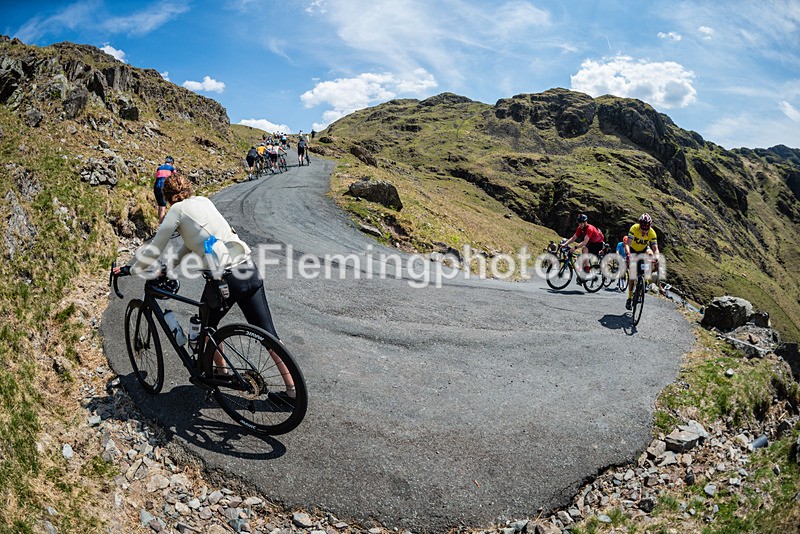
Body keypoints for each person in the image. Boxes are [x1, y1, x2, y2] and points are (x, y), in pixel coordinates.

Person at [113, 172, 296, 401]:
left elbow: (155, 248)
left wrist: (132, 268)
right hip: (248, 268)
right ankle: (292, 390)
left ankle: (220, 376)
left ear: (168, 197)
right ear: (188, 189)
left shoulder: (176, 211)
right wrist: (170, 267)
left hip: (225, 279)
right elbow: (194, 243)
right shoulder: (203, 202)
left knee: (206, 330)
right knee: (269, 334)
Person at [623, 213, 660, 310]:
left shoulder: (652, 232)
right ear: (639, 225)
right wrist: (628, 254)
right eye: (642, 228)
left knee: (651, 256)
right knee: (632, 276)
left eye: (646, 229)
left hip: (643, 249)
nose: (644, 231)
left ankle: (646, 281)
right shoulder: (634, 228)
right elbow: (628, 244)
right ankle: (629, 298)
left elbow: (655, 248)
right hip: (634, 250)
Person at [154, 156, 175, 223]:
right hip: (163, 187)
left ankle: (159, 222)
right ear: (171, 163)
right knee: (163, 207)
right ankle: (161, 225)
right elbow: (176, 177)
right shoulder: (171, 168)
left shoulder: (159, 168)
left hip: (156, 187)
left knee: (160, 205)